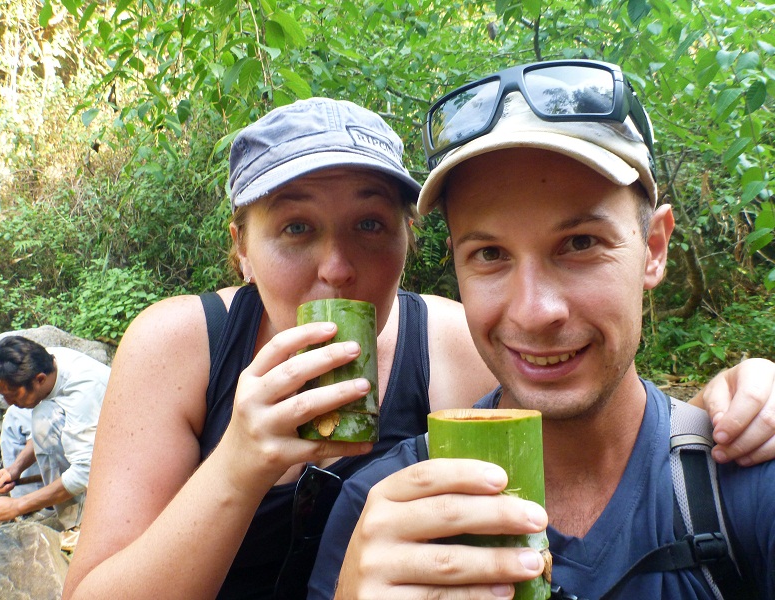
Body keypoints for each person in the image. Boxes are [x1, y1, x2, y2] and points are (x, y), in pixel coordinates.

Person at [62, 97, 772, 600]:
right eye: (295, 229)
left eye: (370, 225)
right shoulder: (182, 346)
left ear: (409, 242)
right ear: (241, 249)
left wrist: (729, 405)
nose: (337, 267)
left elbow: (583, 408)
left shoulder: (459, 342)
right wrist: (240, 463)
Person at [309, 60, 775, 599]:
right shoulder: (381, 512)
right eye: (490, 254)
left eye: (580, 243)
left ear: (653, 249)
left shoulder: (746, 490)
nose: (535, 312)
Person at [0, 336, 110, 530]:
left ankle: (77, 522)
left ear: (39, 379)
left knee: (44, 416)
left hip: (117, 454)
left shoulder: (83, 391)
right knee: (15, 416)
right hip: (79, 432)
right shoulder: (38, 362)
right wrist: (15, 469)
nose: (7, 401)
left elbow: (85, 472)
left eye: (12, 395)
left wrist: (17, 506)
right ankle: (39, 509)